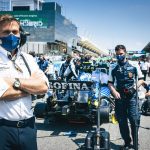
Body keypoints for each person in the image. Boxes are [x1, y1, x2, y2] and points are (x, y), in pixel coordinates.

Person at [0, 14, 49, 150]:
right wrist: (30, 90)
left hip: (28, 128)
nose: (11, 35)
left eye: (15, 32)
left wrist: (15, 83)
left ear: (20, 34)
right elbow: (1, 93)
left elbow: (43, 86)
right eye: (6, 32)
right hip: (2, 130)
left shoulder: (28, 59)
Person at [108, 45, 144, 150]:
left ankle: (136, 143)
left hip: (132, 96)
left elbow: (141, 79)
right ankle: (127, 142)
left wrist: (134, 88)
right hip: (119, 97)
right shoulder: (112, 67)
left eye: (121, 54)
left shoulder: (134, 65)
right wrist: (114, 91)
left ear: (125, 53)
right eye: (117, 54)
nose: (119, 56)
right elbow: (110, 83)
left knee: (134, 119)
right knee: (122, 121)